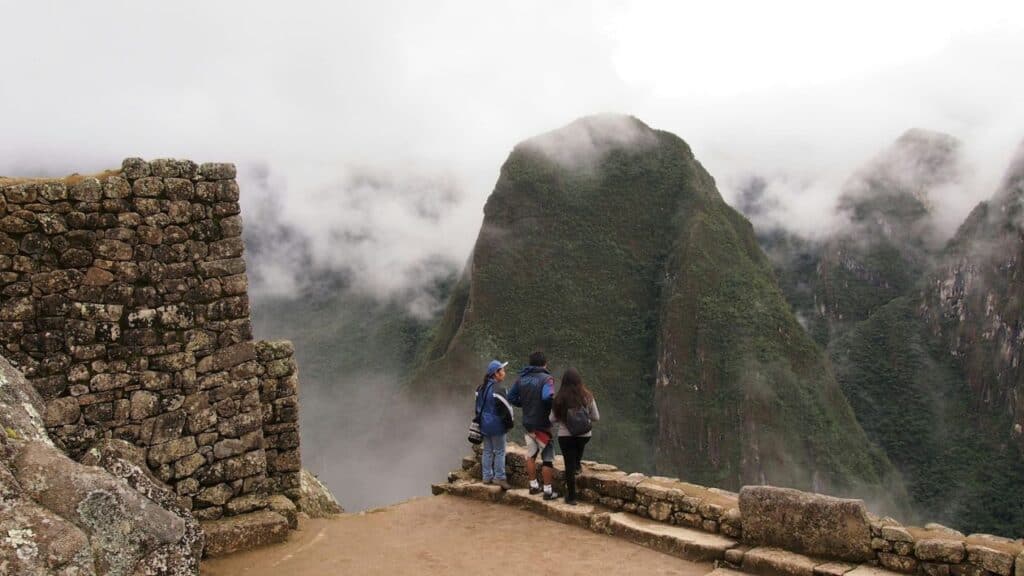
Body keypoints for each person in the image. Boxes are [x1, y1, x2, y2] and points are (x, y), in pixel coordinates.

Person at [508, 350, 559, 500]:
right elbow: (546, 396)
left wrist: (523, 403)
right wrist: (551, 405)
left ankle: (533, 485)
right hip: (542, 425)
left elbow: (511, 397)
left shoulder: (521, 379)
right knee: (547, 458)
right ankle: (548, 491)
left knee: (531, 454)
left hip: (528, 424)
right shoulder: (547, 379)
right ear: (545, 364)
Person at [551, 367, 599, 505]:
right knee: (578, 450)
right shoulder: (587, 396)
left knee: (568, 465)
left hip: (565, 436)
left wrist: (563, 418)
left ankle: (571, 497)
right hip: (584, 435)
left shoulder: (559, 399)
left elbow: (551, 419)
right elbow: (596, 417)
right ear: (579, 380)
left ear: (564, 382)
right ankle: (577, 464)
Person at [475, 359, 512, 490]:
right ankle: (500, 477)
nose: (504, 372)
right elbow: (507, 410)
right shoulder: (499, 389)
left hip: (484, 424)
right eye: (502, 370)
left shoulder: (480, 388)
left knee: (488, 451)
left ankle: (486, 477)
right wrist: (509, 424)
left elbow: (478, 406)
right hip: (497, 425)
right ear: (496, 374)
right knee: (500, 451)